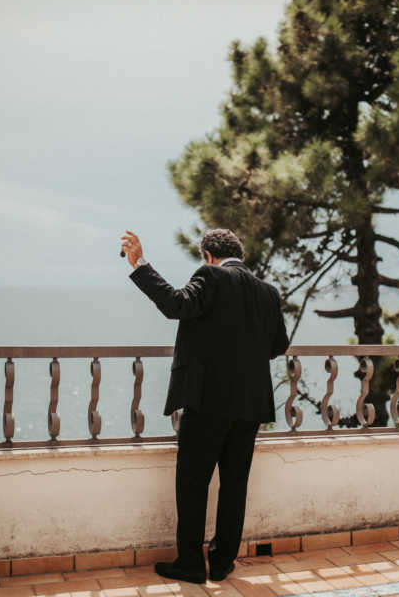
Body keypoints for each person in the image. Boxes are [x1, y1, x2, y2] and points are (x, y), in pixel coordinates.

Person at [121, 228, 289, 584]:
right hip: (251, 405)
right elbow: (278, 345)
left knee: (193, 483)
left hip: (209, 400)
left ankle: (191, 565)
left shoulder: (210, 275)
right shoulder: (268, 292)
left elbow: (177, 305)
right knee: (234, 485)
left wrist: (140, 264)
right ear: (238, 254)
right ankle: (223, 561)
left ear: (208, 255)